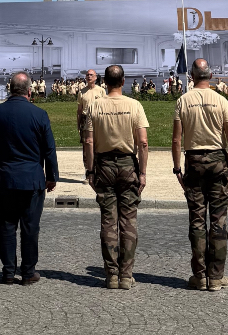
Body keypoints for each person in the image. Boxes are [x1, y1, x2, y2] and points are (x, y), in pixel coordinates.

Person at [0, 71, 58, 285]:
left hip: (4, 178)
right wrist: (51, 176)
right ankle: (28, 272)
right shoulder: (39, 114)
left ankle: (7, 271)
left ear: (10, 89)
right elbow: (49, 149)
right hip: (32, 178)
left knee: (6, 226)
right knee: (30, 227)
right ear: (29, 91)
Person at [173, 58, 228, 292]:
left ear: (192, 76)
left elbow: (176, 139)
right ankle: (216, 277)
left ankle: (200, 276)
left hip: (193, 161)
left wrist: (176, 167)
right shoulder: (221, 100)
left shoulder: (183, 101)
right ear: (210, 76)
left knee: (197, 220)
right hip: (219, 161)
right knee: (218, 221)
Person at [82, 63, 148, 290]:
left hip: (104, 164)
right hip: (128, 164)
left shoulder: (95, 106)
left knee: (108, 221)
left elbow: (88, 141)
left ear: (105, 82)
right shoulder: (134, 105)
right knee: (128, 221)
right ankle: (126, 275)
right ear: (123, 82)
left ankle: (111, 274)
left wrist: (89, 170)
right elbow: (143, 142)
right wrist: (142, 172)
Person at [76, 68, 105, 139]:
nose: (89, 76)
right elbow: (79, 110)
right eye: (87, 75)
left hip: (97, 118)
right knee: (86, 141)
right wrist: (78, 124)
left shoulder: (101, 91)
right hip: (85, 118)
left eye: (91, 75)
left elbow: (105, 107)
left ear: (95, 77)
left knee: (98, 141)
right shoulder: (81, 92)